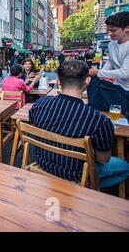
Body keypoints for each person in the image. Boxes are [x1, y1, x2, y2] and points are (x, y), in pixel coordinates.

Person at [29, 60, 129, 189]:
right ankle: (85, 186)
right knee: (125, 166)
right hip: (76, 173)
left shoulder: (39, 104)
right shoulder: (98, 120)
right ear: (87, 81)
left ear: (58, 81)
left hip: (43, 162)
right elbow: (103, 159)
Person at [88, 12, 129, 116]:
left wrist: (98, 72)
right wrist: (98, 74)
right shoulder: (111, 45)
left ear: (127, 28)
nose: (109, 33)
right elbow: (111, 62)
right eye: (108, 30)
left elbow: (125, 73)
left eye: (113, 30)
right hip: (119, 87)